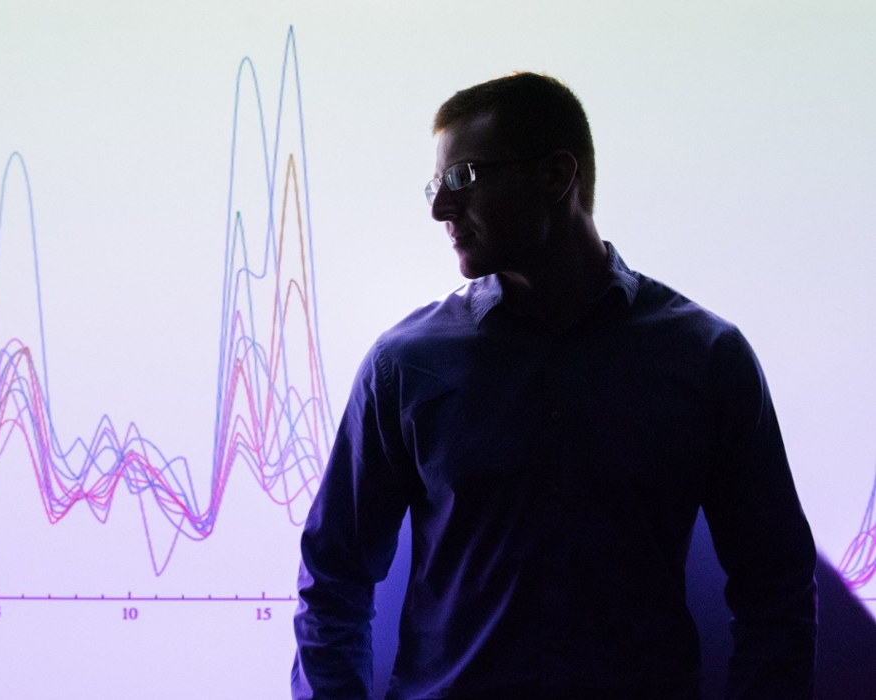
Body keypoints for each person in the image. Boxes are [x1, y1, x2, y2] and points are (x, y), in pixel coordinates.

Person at [291, 72, 817, 700]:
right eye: (435, 185)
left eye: (462, 179)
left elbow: (776, 586)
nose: (439, 208)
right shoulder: (403, 365)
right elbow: (333, 579)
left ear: (555, 174)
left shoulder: (706, 358)